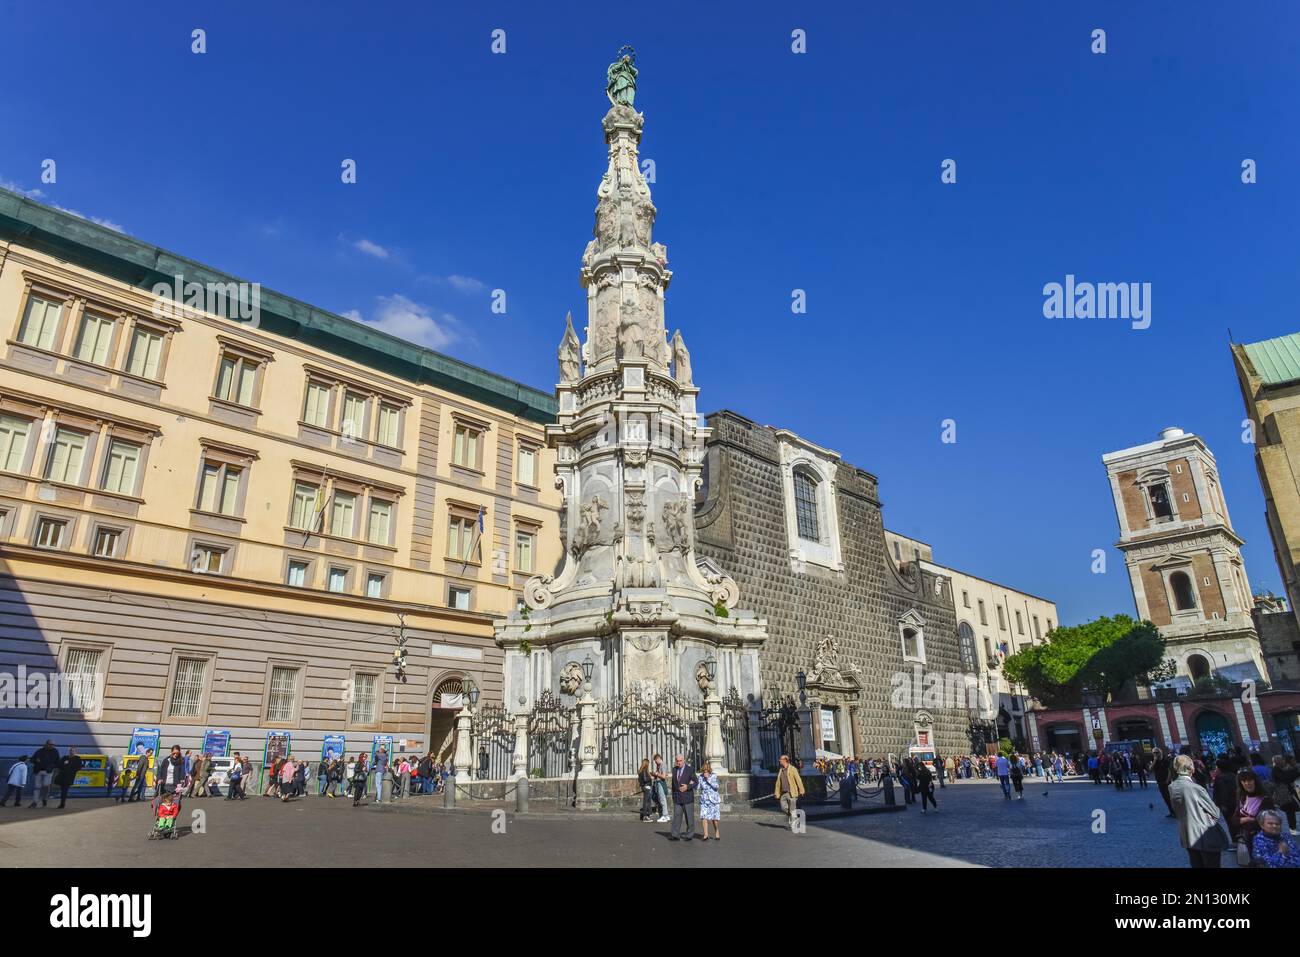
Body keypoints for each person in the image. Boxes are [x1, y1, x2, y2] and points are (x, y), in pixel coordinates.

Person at [1169, 754, 1231, 868]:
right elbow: (1215, 812)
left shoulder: (1173, 787)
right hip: (1205, 834)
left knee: (1196, 864)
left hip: (1187, 834)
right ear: (1191, 769)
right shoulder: (1195, 788)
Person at [668, 754, 698, 842]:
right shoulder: (674, 770)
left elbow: (696, 782)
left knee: (689, 817)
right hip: (677, 798)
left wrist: (687, 786)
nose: (679, 762)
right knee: (677, 816)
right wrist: (673, 796)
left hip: (687, 797)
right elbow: (674, 784)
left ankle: (689, 835)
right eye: (677, 761)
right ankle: (675, 834)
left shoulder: (690, 769)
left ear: (683, 760)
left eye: (680, 761)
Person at [774, 753, 804, 828]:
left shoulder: (793, 769)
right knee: (783, 807)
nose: (779, 760)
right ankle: (794, 817)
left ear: (785, 760)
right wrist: (777, 792)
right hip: (783, 793)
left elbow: (798, 780)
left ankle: (793, 824)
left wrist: (801, 790)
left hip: (792, 793)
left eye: (780, 759)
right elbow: (778, 783)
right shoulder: (781, 770)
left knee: (792, 810)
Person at [1270, 754, 1299, 833]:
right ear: (1277, 761)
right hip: (1283, 794)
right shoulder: (1276, 770)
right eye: (1281, 760)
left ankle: (1293, 828)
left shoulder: (1279, 769)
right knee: (1290, 810)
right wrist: (1295, 771)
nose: (1283, 761)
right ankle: (1292, 828)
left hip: (1285, 793)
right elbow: (1285, 778)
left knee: (1291, 810)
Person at [28, 739, 59, 808]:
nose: (52, 746)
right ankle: (34, 802)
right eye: (50, 744)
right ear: (46, 744)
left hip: (48, 772)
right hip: (38, 771)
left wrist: (52, 766)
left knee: (46, 785)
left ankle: (44, 798)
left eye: (53, 745)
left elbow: (58, 762)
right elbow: (32, 759)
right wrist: (36, 760)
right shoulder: (39, 751)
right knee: (37, 787)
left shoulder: (55, 751)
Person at [698, 761, 721, 840]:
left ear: (709, 771)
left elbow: (716, 786)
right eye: (704, 771)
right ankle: (706, 835)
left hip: (713, 801)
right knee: (703, 817)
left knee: (714, 819)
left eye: (706, 771)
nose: (705, 773)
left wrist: (708, 779)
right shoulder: (700, 777)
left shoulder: (714, 776)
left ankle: (717, 831)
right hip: (704, 800)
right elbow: (698, 787)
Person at [651, 754, 670, 823]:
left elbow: (664, 776)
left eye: (655, 761)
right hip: (659, 783)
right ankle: (666, 815)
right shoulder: (660, 765)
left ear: (658, 759)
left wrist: (656, 774)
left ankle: (664, 815)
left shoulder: (663, 765)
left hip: (661, 783)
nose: (655, 763)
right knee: (662, 799)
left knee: (662, 800)